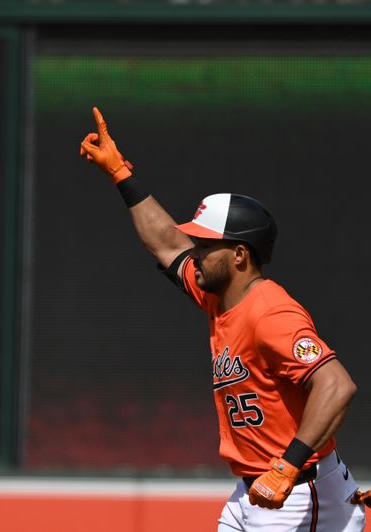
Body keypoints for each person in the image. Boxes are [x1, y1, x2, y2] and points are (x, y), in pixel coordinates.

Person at [79, 107, 370, 531]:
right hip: (252, 492)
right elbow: (165, 244)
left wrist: (287, 468)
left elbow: (337, 384)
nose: (194, 251)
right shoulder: (217, 297)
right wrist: (122, 174)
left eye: (206, 244)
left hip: (299, 494)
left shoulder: (270, 312)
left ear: (239, 255)